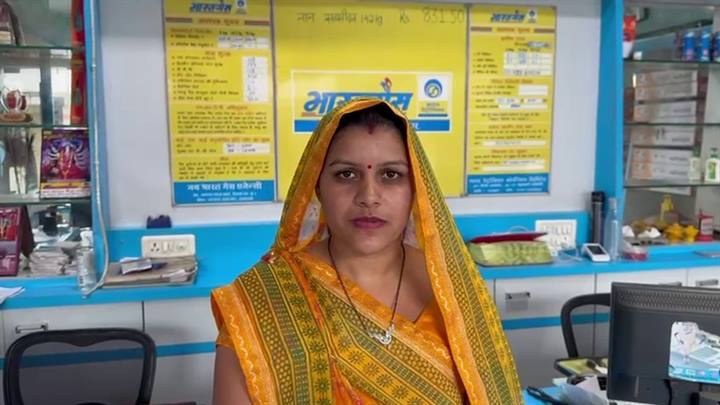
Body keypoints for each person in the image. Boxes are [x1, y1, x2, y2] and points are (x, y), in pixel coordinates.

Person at [211, 98, 521, 404]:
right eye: (346, 174)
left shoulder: (454, 290)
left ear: (416, 189)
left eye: (391, 175)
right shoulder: (263, 303)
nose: (369, 196)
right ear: (317, 187)